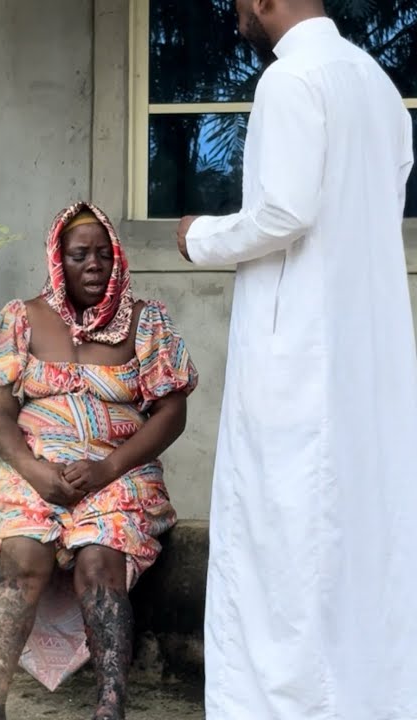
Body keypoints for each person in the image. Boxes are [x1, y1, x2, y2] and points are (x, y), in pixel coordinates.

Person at [175, 2, 417, 717]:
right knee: (360, 534)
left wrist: (201, 236)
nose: (238, 13)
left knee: (283, 533)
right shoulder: (375, 84)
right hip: (365, 349)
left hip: (300, 351)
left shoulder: (290, 80)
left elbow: (284, 211)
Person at [0, 203, 197, 720]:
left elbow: (171, 412)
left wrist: (106, 469)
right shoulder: (21, 319)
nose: (94, 264)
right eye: (80, 255)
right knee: (22, 555)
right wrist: (35, 472)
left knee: (99, 559)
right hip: (36, 470)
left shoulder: (146, 322)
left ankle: (109, 707)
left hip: (118, 474)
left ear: (117, 258)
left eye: (103, 254)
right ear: (58, 259)